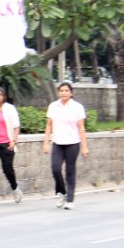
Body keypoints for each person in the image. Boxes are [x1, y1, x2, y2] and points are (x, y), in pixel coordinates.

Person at [43, 82, 89, 210]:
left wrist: (84, 146)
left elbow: (81, 127)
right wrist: (46, 142)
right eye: (61, 90)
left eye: (66, 90)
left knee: (70, 170)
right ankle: (62, 192)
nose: (64, 93)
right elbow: (49, 125)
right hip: (58, 142)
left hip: (73, 143)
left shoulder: (77, 107)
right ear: (59, 93)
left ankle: (70, 199)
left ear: (71, 93)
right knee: (55, 168)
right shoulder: (53, 106)